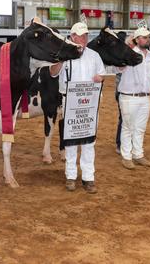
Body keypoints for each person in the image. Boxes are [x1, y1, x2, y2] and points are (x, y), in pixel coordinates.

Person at [50, 22, 105, 193]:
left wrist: (100, 78)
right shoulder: (64, 55)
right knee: (71, 140)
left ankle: (89, 178)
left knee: (89, 141)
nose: (84, 38)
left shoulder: (95, 55)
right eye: (80, 35)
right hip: (70, 102)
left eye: (86, 35)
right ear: (72, 37)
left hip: (90, 103)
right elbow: (52, 73)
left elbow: (102, 74)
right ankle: (71, 176)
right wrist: (61, 59)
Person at [117, 27, 150, 170]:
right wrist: (127, 46)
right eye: (143, 37)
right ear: (136, 40)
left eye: (148, 37)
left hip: (145, 98)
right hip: (128, 97)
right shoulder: (127, 54)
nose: (147, 40)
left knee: (140, 128)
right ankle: (126, 157)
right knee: (128, 127)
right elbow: (117, 68)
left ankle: (138, 154)